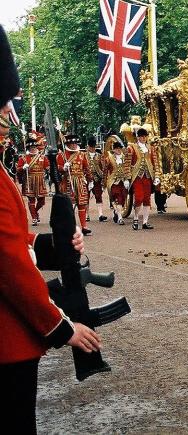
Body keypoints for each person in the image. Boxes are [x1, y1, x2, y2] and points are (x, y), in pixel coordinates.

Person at [0, 25, 101, 433]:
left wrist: (53, 246)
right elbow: (8, 265)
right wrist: (61, 327)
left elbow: (13, 242)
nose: (8, 118)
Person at [123, 128, 160, 231]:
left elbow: (155, 163)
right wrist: (127, 178)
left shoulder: (150, 148)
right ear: (138, 137)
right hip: (137, 176)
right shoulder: (131, 148)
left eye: (145, 136)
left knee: (147, 199)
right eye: (142, 136)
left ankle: (145, 222)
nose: (144, 138)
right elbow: (127, 164)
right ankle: (135, 219)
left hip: (148, 176)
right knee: (139, 198)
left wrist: (157, 176)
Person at [57, 133, 93, 236]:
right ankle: (69, 226)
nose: (73, 145)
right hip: (68, 181)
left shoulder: (81, 155)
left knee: (82, 204)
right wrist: (63, 168)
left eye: (74, 143)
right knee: (68, 205)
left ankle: (84, 226)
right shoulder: (62, 155)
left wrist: (90, 180)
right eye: (71, 143)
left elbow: (86, 168)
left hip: (80, 181)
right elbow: (57, 168)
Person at [16, 133, 48, 227]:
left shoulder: (42, 157)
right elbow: (18, 169)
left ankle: (35, 212)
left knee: (42, 201)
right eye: (31, 147)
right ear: (28, 148)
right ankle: (34, 217)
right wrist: (23, 168)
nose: (33, 149)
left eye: (34, 147)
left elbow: (48, 167)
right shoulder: (24, 158)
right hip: (29, 180)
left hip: (40, 180)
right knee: (31, 200)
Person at [102, 136, 127, 224]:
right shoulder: (109, 159)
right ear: (114, 150)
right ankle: (120, 218)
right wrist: (104, 183)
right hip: (113, 182)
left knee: (123, 199)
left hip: (124, 181)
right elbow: (105, 171)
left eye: (119, 148)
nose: (118, 150)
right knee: (117, 198)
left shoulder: (126, 158)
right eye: (116, 149)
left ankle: (117, 212)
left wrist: (128, 179)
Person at [86, 137, 107, 223]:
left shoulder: (99, 156)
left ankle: (100, 214)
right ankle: (86, 215)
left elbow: (103, 167)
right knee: (85, 197)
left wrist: (103, 179)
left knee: (98, 196)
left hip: (97, 178)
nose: (92, 148)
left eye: (93, 147)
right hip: (86, 178)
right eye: (91, 147)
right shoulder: (83, 155)